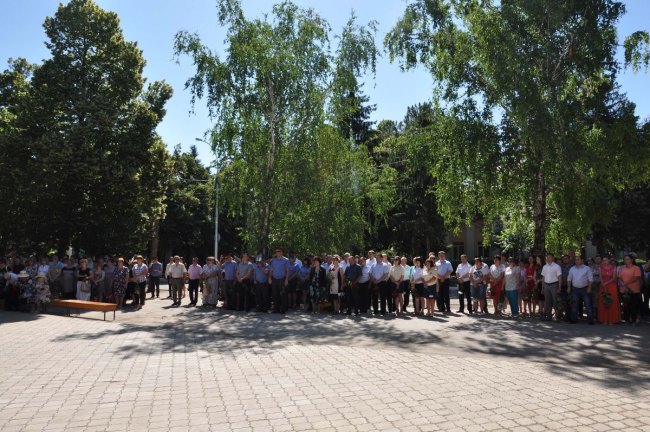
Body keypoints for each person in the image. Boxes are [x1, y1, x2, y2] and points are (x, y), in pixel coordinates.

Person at [567, 255, 594, 325]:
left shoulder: (587, 268)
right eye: (576, 260)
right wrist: (569, 287)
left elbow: (590, 279)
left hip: (585, 289)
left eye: (578, 259)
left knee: (588, 304)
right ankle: (574, 319)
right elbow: (569, 278)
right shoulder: (572, 269)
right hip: (575, 289)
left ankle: (590, 319)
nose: (577, 261)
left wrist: (589, 287)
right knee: (574, 305)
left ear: (582, 260)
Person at [619, 254, 643, 326]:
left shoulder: (636, 268)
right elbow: (619, 277)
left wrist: (625, 283)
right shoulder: (622, 268)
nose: (626, 260)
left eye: (627, 259)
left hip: (634, 290)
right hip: (624, 289)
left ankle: (634, 320)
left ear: (632, 260)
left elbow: (636, 277)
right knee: (626, 305)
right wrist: (624, 286)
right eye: (625, 259)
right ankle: (626, 320)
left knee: (634, 305)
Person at [541, 253, 563, 322]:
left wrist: (559, 288)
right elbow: (543, 278)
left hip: (554, 285)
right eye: (547, 257)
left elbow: (560, 277)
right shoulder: (544, 267)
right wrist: (542, 288)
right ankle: (548, 316)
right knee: (548, 301)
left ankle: (558, 316)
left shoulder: (556, 266)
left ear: (553, 258)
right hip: (546, 285)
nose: (548, 259)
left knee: (556, 301)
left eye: (549, 257)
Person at [270, 248, 291, 314]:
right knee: (275, 294)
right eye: (276, 252)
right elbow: (271, 270)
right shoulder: (274, 260)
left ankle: (284, 309)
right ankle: (276, 309)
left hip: (282, 279)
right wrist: (269, 278)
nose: (277, 253)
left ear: (281, 253)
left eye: (279, 252)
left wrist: (286, 280)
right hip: (275, 279)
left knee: (283, 294)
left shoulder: (286, 260)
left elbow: (288, 270)